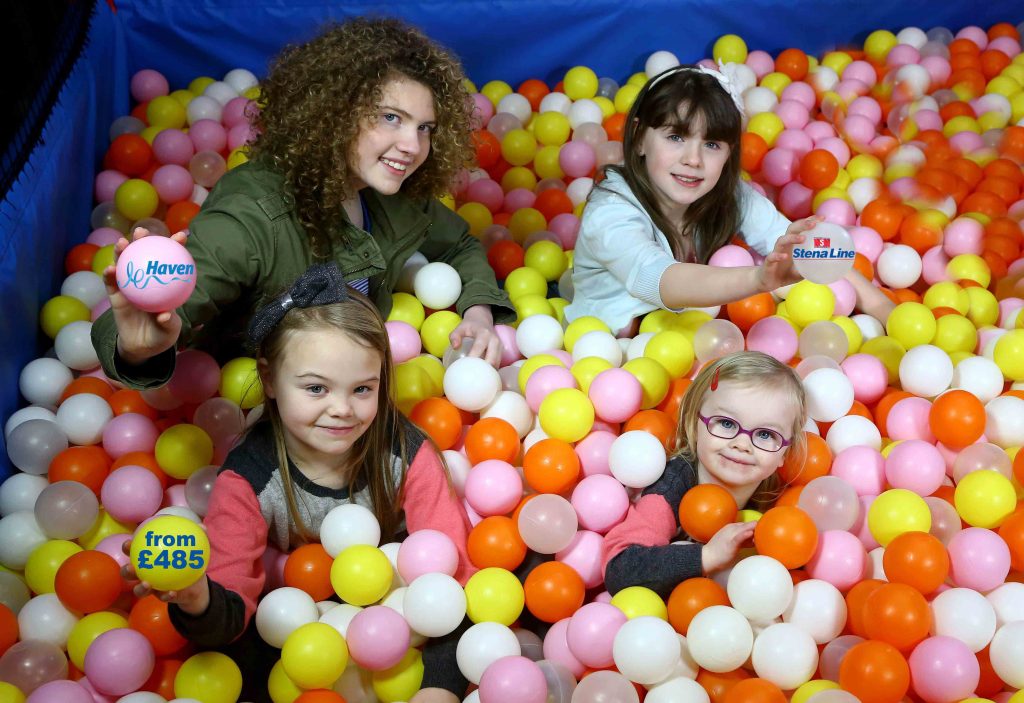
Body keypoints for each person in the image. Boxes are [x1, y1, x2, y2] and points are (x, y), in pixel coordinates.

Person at [93, 17, 513, 388]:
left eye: (425, 128)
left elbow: (459, 243)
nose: (412, 145)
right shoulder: (250, 219)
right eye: (391, 118)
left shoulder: (393, 195)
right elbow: (157, 314)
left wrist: (477, 313)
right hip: (256, 395)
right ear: (337, 111)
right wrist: (136, 347)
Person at [122, 264, 473, 703]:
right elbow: (230, 612)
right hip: (292, 631)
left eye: (363, 389)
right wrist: (195, 596)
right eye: (316, 389)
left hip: (396, 616)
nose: (342, 409)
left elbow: (453, 584)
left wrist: (438, 688)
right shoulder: (248, 476)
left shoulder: (407, 453)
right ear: (269, 379)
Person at [565, 64, 894, 336]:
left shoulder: (727, 193)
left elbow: (802, 249)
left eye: (712, 145)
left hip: (689, 342)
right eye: (675, 137)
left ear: (729, 154)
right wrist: (757, 280)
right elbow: (658, 279)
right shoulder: (610, 211)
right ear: (639, 138)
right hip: (605, 356)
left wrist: (886, 313)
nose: (693, 159)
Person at [602, 351, 808, 597]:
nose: (742, 444)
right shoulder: (671, 486)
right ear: (694, 424)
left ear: (785, 452)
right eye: (727, 423)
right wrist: (707, 556)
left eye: (765, 434)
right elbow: (619, 569)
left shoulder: (776, 502)